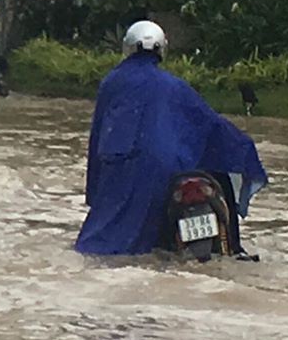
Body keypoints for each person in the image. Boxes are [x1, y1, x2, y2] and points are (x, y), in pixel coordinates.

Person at [77, 21, 269, 257]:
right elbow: (211, 125)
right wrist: (243, 146)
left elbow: (99, 136)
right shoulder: (176, 87)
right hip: (169, 170)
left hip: (123, 173)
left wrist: (95, 193)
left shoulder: (113, 82)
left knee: (97, 249)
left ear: (128, 47)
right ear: (161, 49)